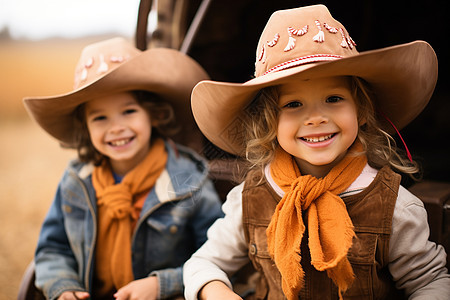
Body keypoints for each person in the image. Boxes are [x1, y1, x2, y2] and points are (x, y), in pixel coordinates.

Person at [183, 4, 450, 300]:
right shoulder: (250, 199)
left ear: (362, 110)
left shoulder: (395, 207)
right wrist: (215, 290)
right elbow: (204, 263)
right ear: (271, 122)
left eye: (333, 98)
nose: (315, 118)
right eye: (293, 104)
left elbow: (429, 282)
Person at [23, 37, 223, 300]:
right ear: (85, 127)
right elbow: (53, 248)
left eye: (128, 111)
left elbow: (215, 253)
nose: (116, 127)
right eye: (100, 117)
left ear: (153, 114)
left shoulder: (188, 179)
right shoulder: (77, 181)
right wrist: (63, 285)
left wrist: (161, 285)